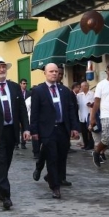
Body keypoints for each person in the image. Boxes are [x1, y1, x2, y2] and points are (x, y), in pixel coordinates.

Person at [31, 63, 79, 198]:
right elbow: (34, 112)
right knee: (51, 157)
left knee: (61, 157)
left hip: (63, 129)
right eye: (51, 71)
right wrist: (34, 130)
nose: (54, 74)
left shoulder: (64, 90)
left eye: (56, 72)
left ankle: (52, 176)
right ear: (45, 73)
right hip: (47, 130)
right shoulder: (39, 90)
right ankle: (55, 187)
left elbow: (70, 109)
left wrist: (75, 127)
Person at [0, 56, 30, 210]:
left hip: (12, 130)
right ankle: (6, 195)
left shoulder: (14, 87)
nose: (1, 69)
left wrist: (26, 128)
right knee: (0, 161)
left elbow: (22, 109)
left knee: (7, 161)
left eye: (3, 66)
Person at [76, 81, 95, 150]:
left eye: (82, 86)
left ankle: (91, 145)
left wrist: (91, 104)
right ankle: (85, 144)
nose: (81, 88)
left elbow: (95, 103)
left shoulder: (92, 94)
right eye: (81, 86)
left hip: (90, 114)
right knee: (83, 131)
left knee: (90, 132)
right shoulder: (79, 95)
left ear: (87, 86)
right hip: (82, 115)